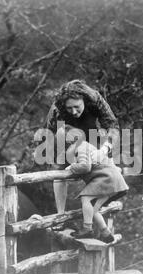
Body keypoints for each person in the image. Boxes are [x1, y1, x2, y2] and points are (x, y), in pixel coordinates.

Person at [45, 79, 120, 214]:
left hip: (92, 132)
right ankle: (60, 213)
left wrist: (105, 149)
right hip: (68, 136)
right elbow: (50, 132)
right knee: (58, 166)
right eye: (69, 108)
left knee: (104, 144)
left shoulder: (95, 99)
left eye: (77, 107)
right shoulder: (57, 108)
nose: (73, 111)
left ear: (84, 100)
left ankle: (109, 193)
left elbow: (113, 126)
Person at [60, 125, 128, 243]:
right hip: (111, 179)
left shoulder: (80, 147)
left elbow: (85, 167)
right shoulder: (84, 146)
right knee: (93, 208)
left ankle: (87, 229)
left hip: (106, 178)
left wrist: (72, 168)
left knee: (86, 199)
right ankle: (106, 233)